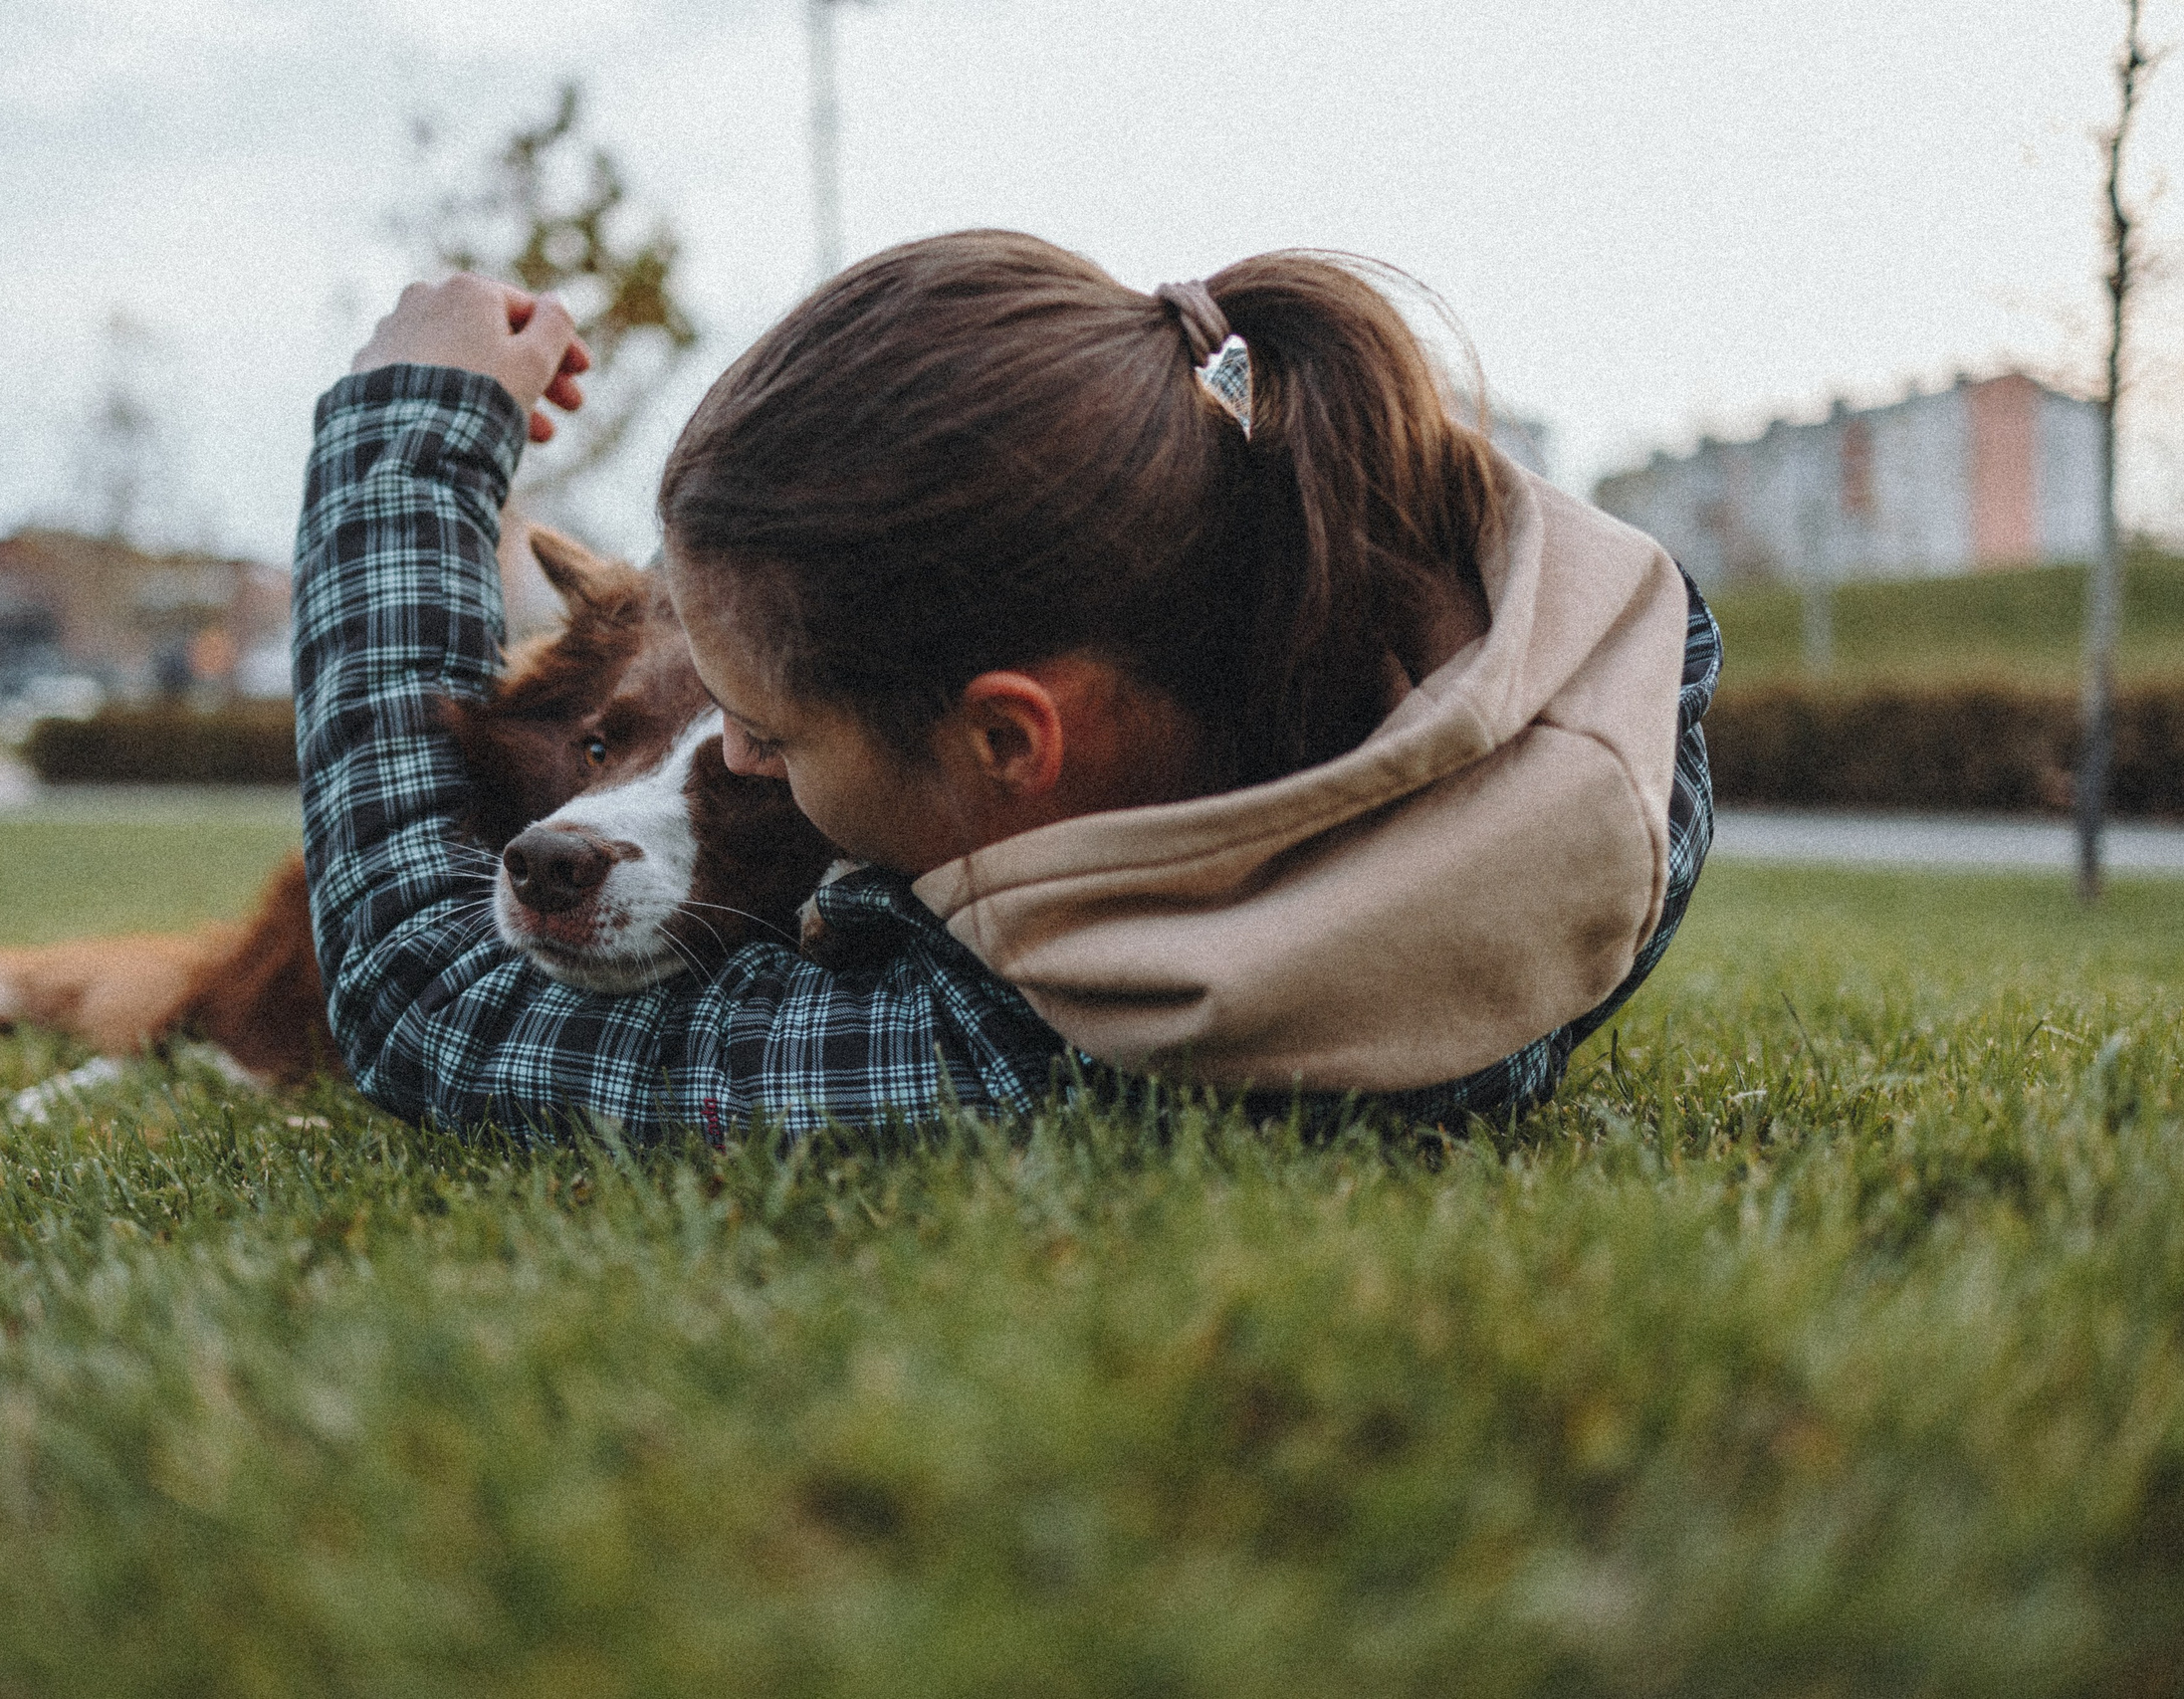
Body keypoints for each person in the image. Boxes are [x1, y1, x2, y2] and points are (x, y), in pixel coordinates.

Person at [293, 232, 1718, 1142]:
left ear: (1007, 741)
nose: (738, 753)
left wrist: (405, 439)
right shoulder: (1591, 734)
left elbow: (437, 1015)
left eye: (767, 732)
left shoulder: (1116, 1040)